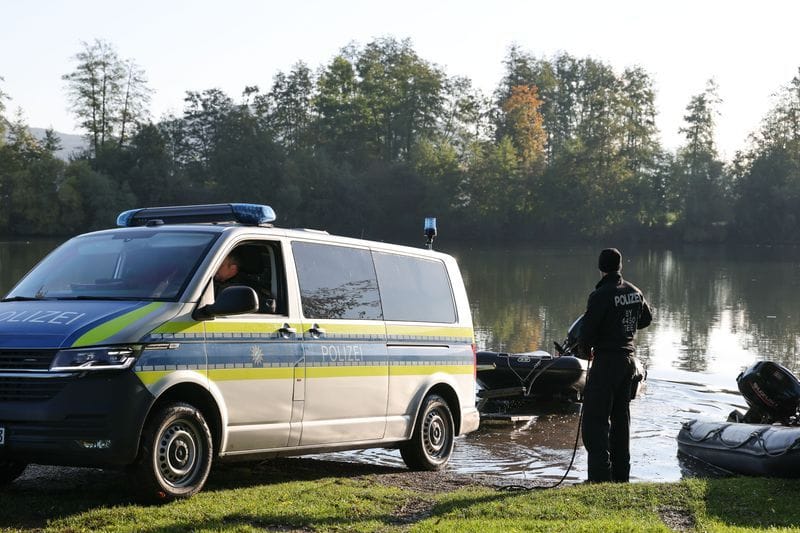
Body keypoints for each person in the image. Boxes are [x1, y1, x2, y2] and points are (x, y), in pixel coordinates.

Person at [578, 248, 652, 483]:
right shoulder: (634, 291)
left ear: (601, 268)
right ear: (620, 266)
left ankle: (599, 477)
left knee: (595, 421)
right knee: (621, 421)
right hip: (628, 363)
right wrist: (624, 328)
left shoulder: (600, 295)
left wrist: (585, 349)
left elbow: (586, 332)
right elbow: (646, 319)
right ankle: (621, 476)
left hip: (607, 363)